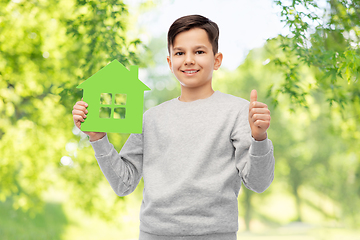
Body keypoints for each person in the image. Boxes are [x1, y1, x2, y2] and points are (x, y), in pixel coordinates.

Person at [72, 14, 275, 240]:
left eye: (199, 51)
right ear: (170, 62)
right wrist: (98, 138)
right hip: (155, 234)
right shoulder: (151, 119)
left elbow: (258, 182)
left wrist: (260, 139)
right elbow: (124, 183)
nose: (188, 60)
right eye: (179, 53)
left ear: (216, 60)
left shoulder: (238, 112)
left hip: (216, 234)